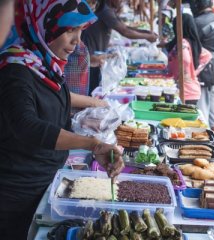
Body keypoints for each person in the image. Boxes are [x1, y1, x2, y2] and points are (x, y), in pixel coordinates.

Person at [0, 1, 124, 239]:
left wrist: (95, 108)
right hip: (17, 196)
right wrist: (92, 144)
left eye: (80, 31)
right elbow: (27, 126)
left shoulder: (43, 66)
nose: (77, 41)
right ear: (45, 25)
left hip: (46, 182)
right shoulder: (15, 71)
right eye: (69, 30)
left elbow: (57, 101)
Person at [81, 0, 158, 94]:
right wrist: (148, 36)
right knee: (92, 91)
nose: (122, 2)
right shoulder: (105, 11)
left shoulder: (106, 9)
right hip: (91, 58)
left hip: (95, 56)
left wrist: (147, 33)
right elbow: (125, 31)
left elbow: (125, 27)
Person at [190, 0, 214, 138]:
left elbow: (194, 48)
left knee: (202, 111)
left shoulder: (196, 22)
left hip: (202, 70)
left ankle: (206, 144)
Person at [167, 13, 210, 105]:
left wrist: (185, 73)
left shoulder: (183, 42)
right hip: (191, 90)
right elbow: (207, 55)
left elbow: (186, 59)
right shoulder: (192, 42)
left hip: (185, 91)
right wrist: (193, 72)